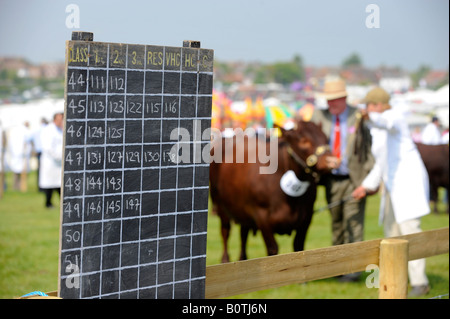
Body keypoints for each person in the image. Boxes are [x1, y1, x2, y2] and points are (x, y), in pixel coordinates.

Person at [352, 87, 431, 297]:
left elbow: (385, 122)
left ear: (377, 105)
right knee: (392, 235)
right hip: (392, 188)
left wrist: (370, 117)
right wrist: (366, 186)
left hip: (407, 185)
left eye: (368, 105)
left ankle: (420, 282)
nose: (365, 110)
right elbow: (381, 164)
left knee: (411, 233)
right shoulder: (377, 128)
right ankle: (396, 280)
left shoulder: (394, 117)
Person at [310, 78, 374, 282]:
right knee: (337, 223)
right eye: (328, 101)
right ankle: (337, 267)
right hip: (331, 181)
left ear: (344, 98)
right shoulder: (320, 116)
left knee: (353, 223)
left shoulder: (359, 116)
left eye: (334, 101)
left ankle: (354, 271)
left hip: (354, 179)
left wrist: (368, 181)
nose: (330, 105)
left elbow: (370, 148)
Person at [39, 112, 64, 208]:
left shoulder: (61, 129)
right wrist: (58, 156)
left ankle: (62, 202)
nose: (61, 121)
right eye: (59, 119)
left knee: (59, 183)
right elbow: (47, 147)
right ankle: (48, 203)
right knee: (49, 184)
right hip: (50, 162)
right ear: (55, 119)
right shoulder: (48, 130)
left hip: (59, 163)